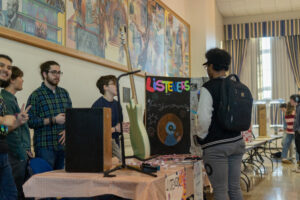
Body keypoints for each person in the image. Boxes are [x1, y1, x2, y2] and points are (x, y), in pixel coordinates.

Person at [191, 48, 245, 200]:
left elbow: (202, 119)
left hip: (216, 147)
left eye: (207, 65)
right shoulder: (235, 85)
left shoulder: (208, 88)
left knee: (220, 190)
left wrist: (201, 138)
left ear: (212, 66)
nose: (207, 69)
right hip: (237, 142)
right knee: (234, 188)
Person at [26, 61, 72, 170]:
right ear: (44, 74)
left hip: (64, 146)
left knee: (63, 182)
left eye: (59, 72)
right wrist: (53, 120)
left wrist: (68, 130)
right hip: (45, 147)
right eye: (54, 72)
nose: (57, 76)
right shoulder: (36, 95)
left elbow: (72, 117)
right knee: (46, 183)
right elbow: (30, 121)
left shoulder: (64, 93)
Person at [0, 54, 29, 199]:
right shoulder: (5, 98)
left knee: (12, 194)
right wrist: (3, 119)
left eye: (9, 68)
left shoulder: (2, 99)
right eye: (2, 66)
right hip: (11, 155)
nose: (6, 70)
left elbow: (2, 131)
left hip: (4, 154)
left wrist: (17, 122)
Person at [92, 75, 122, 160]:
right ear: (105, 87)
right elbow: (96, 131)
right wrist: (115, 129)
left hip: (115, 142)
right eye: (114, 84)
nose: (117, 86)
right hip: (102, 145)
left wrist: (124, 128)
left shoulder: (117, 104)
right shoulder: (97, 106)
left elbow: (119, 124)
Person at [292, 94, 300, 172]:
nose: (291, 102)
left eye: (292, 100)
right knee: (298, 149)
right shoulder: (297, 108)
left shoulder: (299, 108)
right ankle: (298, 166)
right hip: (296, 131)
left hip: (298, 131)